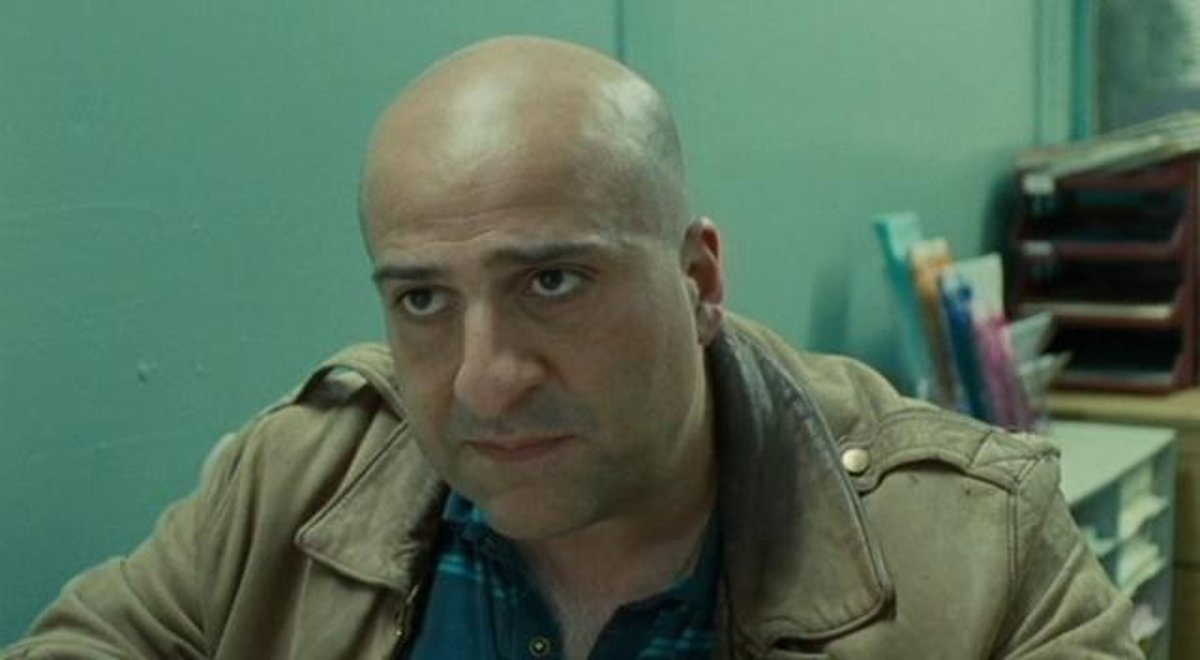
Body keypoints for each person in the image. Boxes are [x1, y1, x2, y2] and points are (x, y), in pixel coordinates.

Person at [6, 36, 1139, 659]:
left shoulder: (977, 551)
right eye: (423, 300)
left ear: (699, 280)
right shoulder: (300, 481)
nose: (487, 379)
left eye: (553, 282)